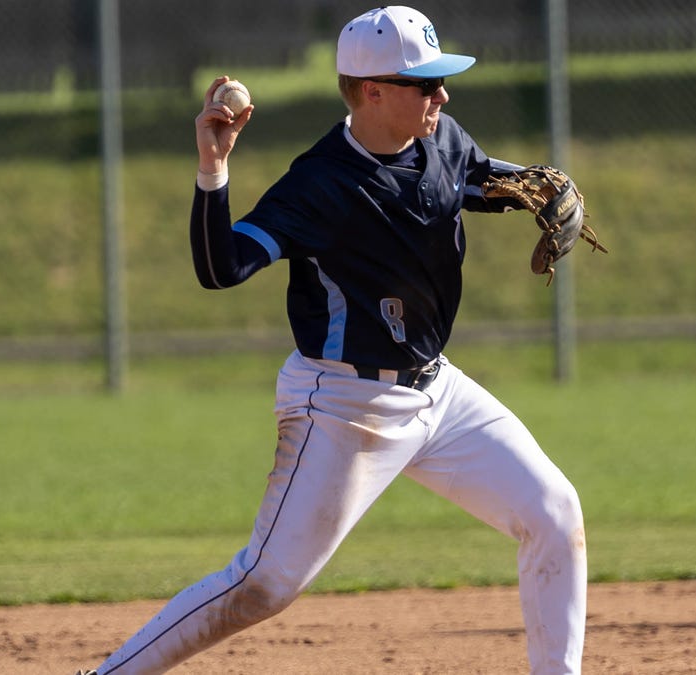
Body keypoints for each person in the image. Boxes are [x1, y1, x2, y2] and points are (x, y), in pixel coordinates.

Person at [78, 6, 587, 674]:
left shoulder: (444, 139)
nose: (442, 95)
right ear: (371, 91)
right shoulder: (319, 184)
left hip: (439, 391)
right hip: (345, 405)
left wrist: (538, 188)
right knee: (264, 584)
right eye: (425, 83)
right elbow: (221, 267)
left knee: (554, 513)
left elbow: (478, 180)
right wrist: (213, 169)